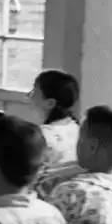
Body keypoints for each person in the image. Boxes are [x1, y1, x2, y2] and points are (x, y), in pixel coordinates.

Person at [27, 69, 80, 197]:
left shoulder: (40, 136)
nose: (29, 96)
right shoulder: (78, 129)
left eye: (34, 92)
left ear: (50, 103)